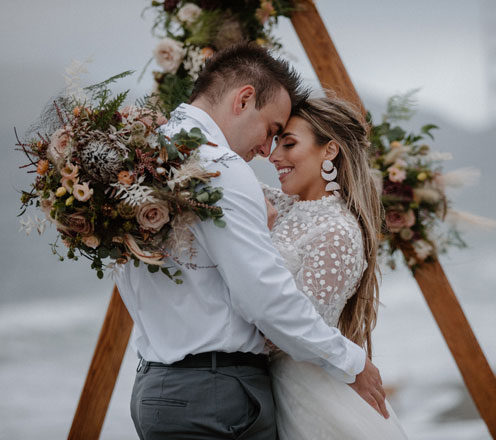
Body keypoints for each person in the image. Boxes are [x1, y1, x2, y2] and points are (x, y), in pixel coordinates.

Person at [114, 44, 389, 440]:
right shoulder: (220, 170)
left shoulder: (148, 158)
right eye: (273, 132)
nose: (266, 151)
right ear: (244, 99)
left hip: (155, 386)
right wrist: (351, 360)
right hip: (214, 394)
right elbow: (263, 298)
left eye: (284, 140)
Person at [264, 97, 409, 439]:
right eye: (274, 145)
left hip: (302, 395)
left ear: (329, 151)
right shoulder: (283, 206)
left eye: (288, 144)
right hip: (267, 388)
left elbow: (291, 331)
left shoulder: (337, 232)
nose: (273, 157)